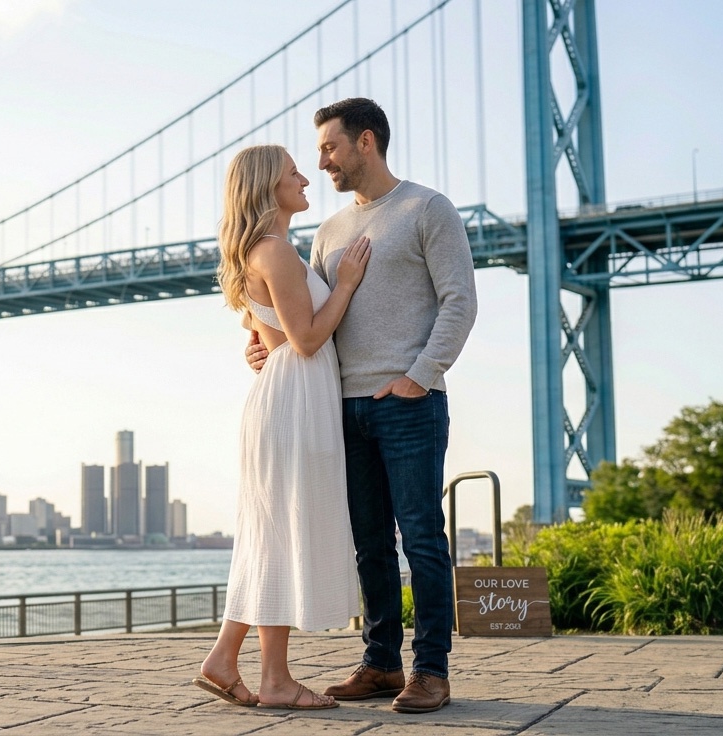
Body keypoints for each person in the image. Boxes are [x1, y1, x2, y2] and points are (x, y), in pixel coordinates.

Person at [246, 98, 477, 713]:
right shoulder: (327, 233)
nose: (320, 162)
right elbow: (308, 316)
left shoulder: (428, 209)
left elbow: (460, 302)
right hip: (339, 408)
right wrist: (261, 342)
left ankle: (430, 671)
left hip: (408, 404)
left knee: (422, 538)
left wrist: (420, 377)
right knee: (368, 543)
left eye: (329, 148)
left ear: (365, 141)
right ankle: (379, 663)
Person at [194, 143, 371, 710]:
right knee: (278, 535)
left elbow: (264, 329)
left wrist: (256, 341)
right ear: (269, 185)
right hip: (293, 406)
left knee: (274, 536)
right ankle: (271, 679)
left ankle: (230, 662)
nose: (306, 178)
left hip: (291, 399)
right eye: (295, 171)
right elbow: (307, 339)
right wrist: (344, 283)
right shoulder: (272, 250)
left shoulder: (269, 251)